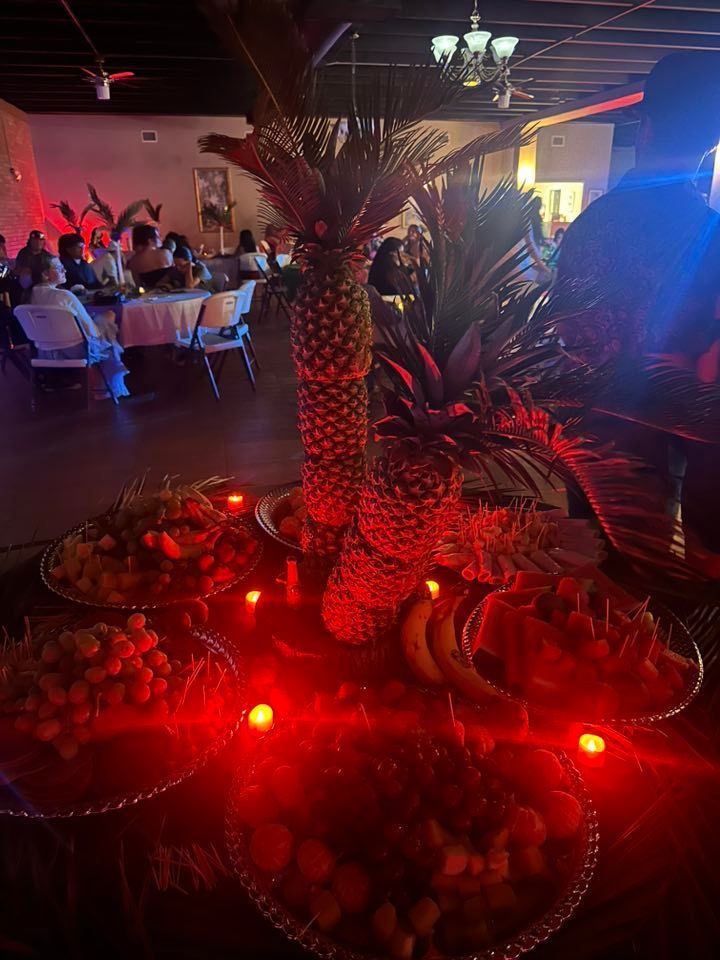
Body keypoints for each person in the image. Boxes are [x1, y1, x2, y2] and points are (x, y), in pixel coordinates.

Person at [556, 51, 720, 551]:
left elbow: (565, 336)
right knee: (673, 576)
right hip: (681, 441)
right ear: (709, 143)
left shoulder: (593, 227)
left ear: (643, 130)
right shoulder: (711, 235)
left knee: (597, 572)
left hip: (593, 430)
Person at [28, 255, 129, 399]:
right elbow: (91, 331)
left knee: (101, 320)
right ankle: (108, 386)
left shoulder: (30, 296)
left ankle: (104, 385)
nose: (64, 270)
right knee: (109, 317)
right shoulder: (64, 296)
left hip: (45, 351)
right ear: (45, 274)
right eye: (58, 268)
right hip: (76, 350)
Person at [127, 224, 173, 288]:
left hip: (151, 295)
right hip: (172, 291)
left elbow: (139, 286)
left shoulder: (133, 261)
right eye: (157, 237)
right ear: (150, 240)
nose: (160, 239)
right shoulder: (166, 253)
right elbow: (174, 274)